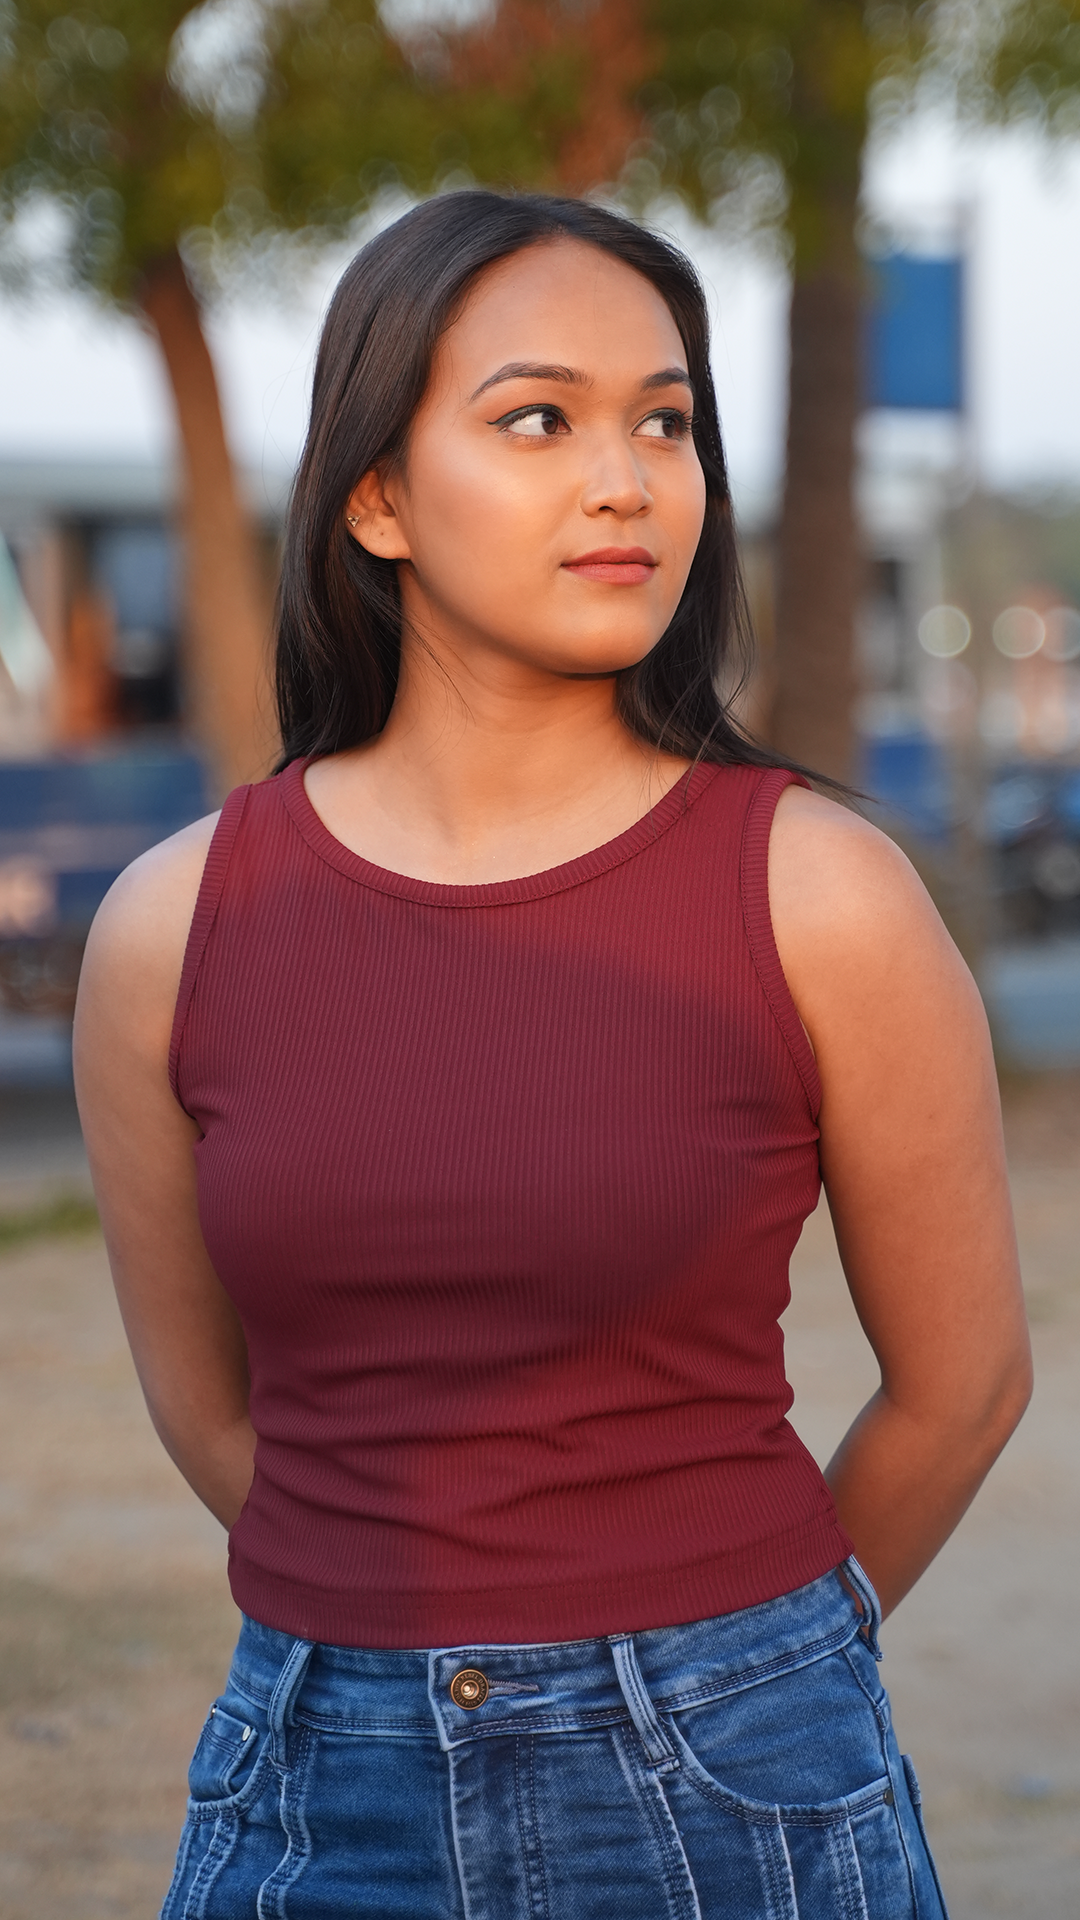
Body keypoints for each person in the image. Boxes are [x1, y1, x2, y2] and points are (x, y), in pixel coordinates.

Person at [74, 191, 1031, 1920]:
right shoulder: (170, 929)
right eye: (541, 419)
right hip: (312, 1777)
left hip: (737, 1781)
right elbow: (215, 1414)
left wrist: (739, 1661)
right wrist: (402, 1607)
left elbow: (962, 1390)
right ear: (376, 495)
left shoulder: (824, 895)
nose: (630, 479)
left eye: (666, 421)